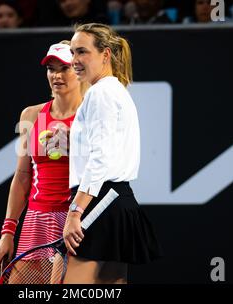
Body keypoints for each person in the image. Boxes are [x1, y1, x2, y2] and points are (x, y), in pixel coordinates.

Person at [63, 23, 162, 284]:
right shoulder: (116, 90)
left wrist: (75, 211)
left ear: (105, 55)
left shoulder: (100, 93)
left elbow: (101, 157)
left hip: (97, 203)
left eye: (82, 52)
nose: (75, 60)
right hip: (118, 201)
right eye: (72, 52)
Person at [0, 41, 89, 282]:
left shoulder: (90, 116)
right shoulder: (31, 115)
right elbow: (23, 176)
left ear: (78, 70)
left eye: (64, 68)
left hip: (73, 220)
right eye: (51, 69)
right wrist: (8, 232)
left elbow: (102, 171)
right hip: (36, 220)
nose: (56, 75)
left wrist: (76, 144)